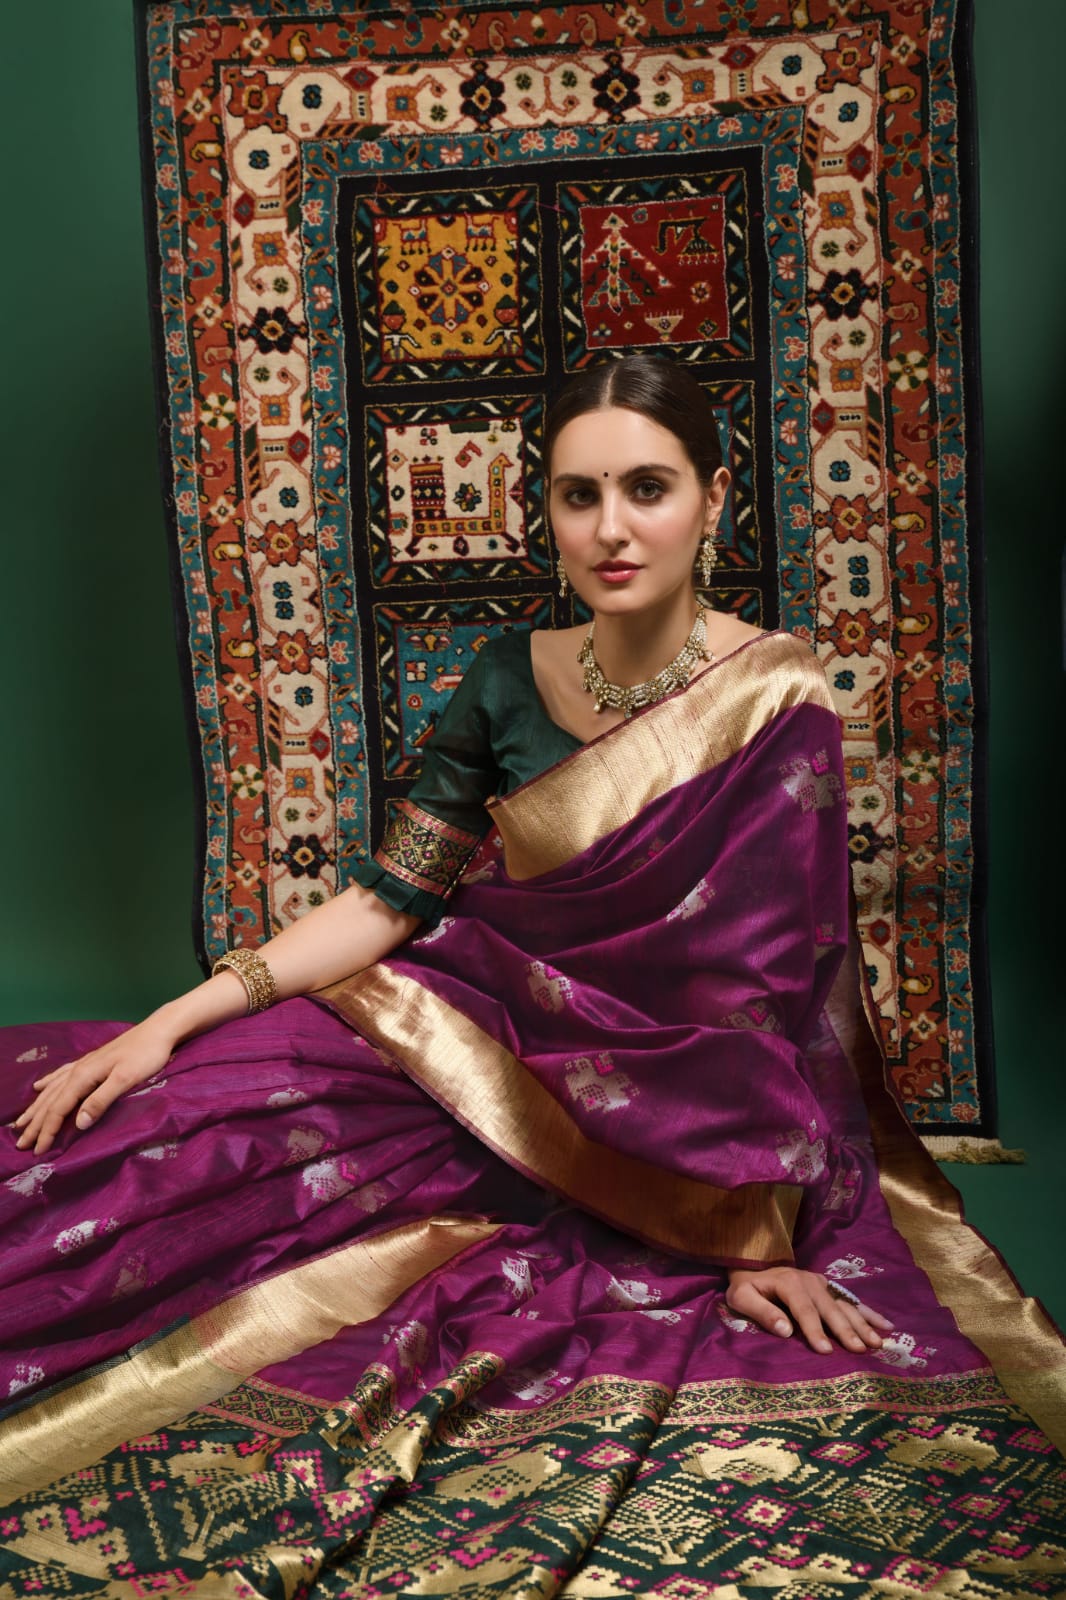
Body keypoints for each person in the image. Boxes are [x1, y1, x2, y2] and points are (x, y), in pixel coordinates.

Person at [0, 357, 1061, 1587]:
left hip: (644, 1131)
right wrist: (170, 1020)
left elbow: (764, 992)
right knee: (155, 1122)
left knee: (212, 1206)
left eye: (648, 487)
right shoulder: (508, 674)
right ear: (544, 510)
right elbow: (391, 897)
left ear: (714, 499)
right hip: (451, 1039)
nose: (611, 528)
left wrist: (752, 1232)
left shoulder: (774, 702)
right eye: (578, 494)